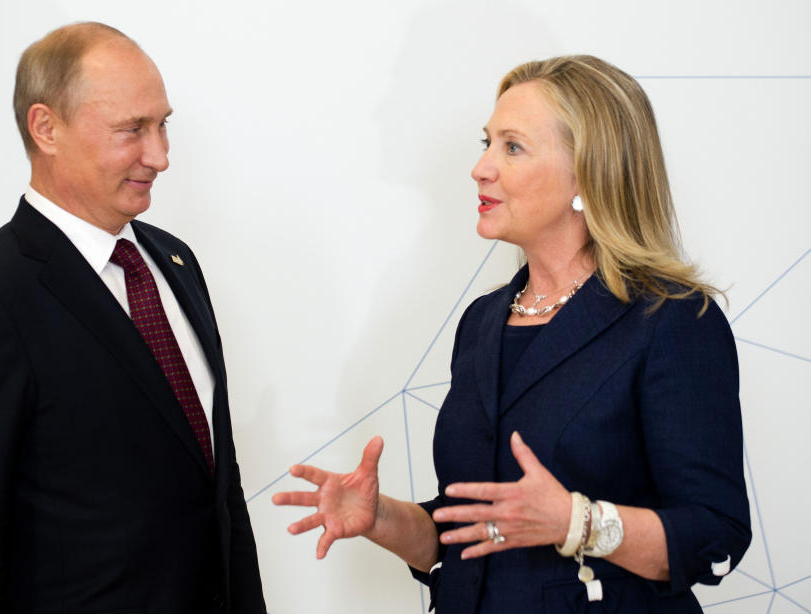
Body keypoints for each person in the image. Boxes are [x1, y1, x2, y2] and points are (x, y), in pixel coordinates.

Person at [273, 55, 750, 612]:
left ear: (588, 172)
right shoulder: (483, 321)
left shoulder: (670, 320)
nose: (481, 167)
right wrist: (380, 518)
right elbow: (472, 533)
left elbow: (714, 537)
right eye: (486, 142)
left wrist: (578, 522)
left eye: (512, 146)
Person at [0, 22, 266, 614]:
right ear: (46, 127)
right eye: (133, 130)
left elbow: (217, 492)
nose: (161, 156)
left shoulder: (175, 262)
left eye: (163, 124)